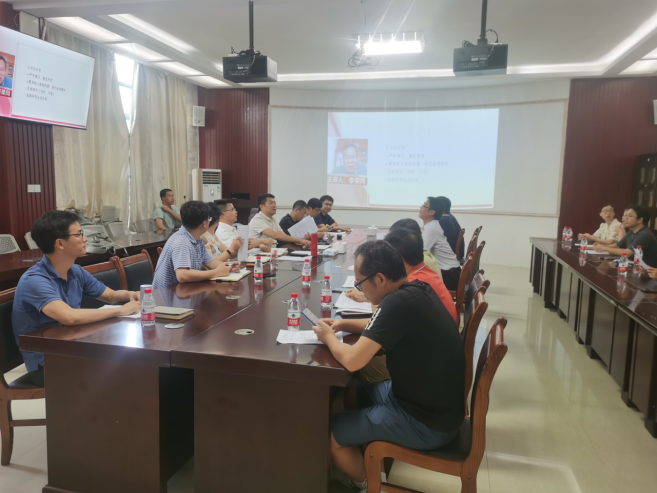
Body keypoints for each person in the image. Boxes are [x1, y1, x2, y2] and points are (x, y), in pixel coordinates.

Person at [312, 241, 464, 490]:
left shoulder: (396, 303)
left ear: (380, 279)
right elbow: (380, 322)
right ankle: (366, 453)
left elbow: (352, 361)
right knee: (354, 391)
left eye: (360, 283)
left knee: (329, 434)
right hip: (432, 405)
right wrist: (343, 325)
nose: (359, 289)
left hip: (427, 423)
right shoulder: (416, 288)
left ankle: (367, 483)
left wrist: (329, 338)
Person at [12, 211, 141, 386]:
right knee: (127, 370)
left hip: (74, 350)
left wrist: (131, 295)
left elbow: (110, 296)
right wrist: (120, 310)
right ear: (60, 243)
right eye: (79, 234)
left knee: (133, 364)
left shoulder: (75, 271)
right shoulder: (35, 280)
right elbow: (69, 317)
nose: (85, 238)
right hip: (47, 363)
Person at [153, 201, 240, 290]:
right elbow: (182, 275)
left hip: (184, 290)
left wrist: (229, 266)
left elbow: (210, 263)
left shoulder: (197, 239)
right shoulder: (181, 241)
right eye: (209, 219)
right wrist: (216, 272)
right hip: (166, 294)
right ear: (204, 224)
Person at [593, 204, 657, 266]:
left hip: (647, 270)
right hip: (634, 265)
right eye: (624, 216)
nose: (624, 219)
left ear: (640, 220)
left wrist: (604, 248)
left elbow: (627, 253)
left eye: (629, 216)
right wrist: (599, 247)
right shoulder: (631, 231)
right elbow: (617, 246)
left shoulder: (644, 234)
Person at [420, 197, 462, 290]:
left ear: (432, 212)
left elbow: (420, 253)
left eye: (424, 206)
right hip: (450, 272)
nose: (421, 207)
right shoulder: (432, 225)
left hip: (449, 276)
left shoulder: (431, 228)